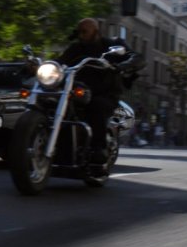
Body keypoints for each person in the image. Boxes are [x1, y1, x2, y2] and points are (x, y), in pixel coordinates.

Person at [58, 18, 145, 172]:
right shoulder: (76, 48)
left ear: (96, 32)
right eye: (79, 32)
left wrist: (122, 65)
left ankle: (99, 151)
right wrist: (40, 67)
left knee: (96, 106)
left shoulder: (112, 44)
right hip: (77, 91)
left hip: (105, 93)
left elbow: (137, 57)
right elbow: (59, 61)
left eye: (84, 32)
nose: (81, 35)